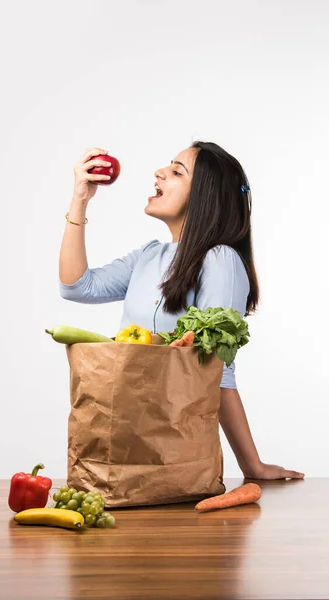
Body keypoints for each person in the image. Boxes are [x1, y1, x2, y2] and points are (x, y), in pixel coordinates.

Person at [58, 143, 305, 481]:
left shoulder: (220, 261)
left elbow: (217, 371)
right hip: (126, 441)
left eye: (177, 171)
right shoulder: (147, 255)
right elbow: (76, 286)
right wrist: (80, 200)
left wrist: (253, 467)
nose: (159, 173)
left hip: (173, 453)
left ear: (204, 195)